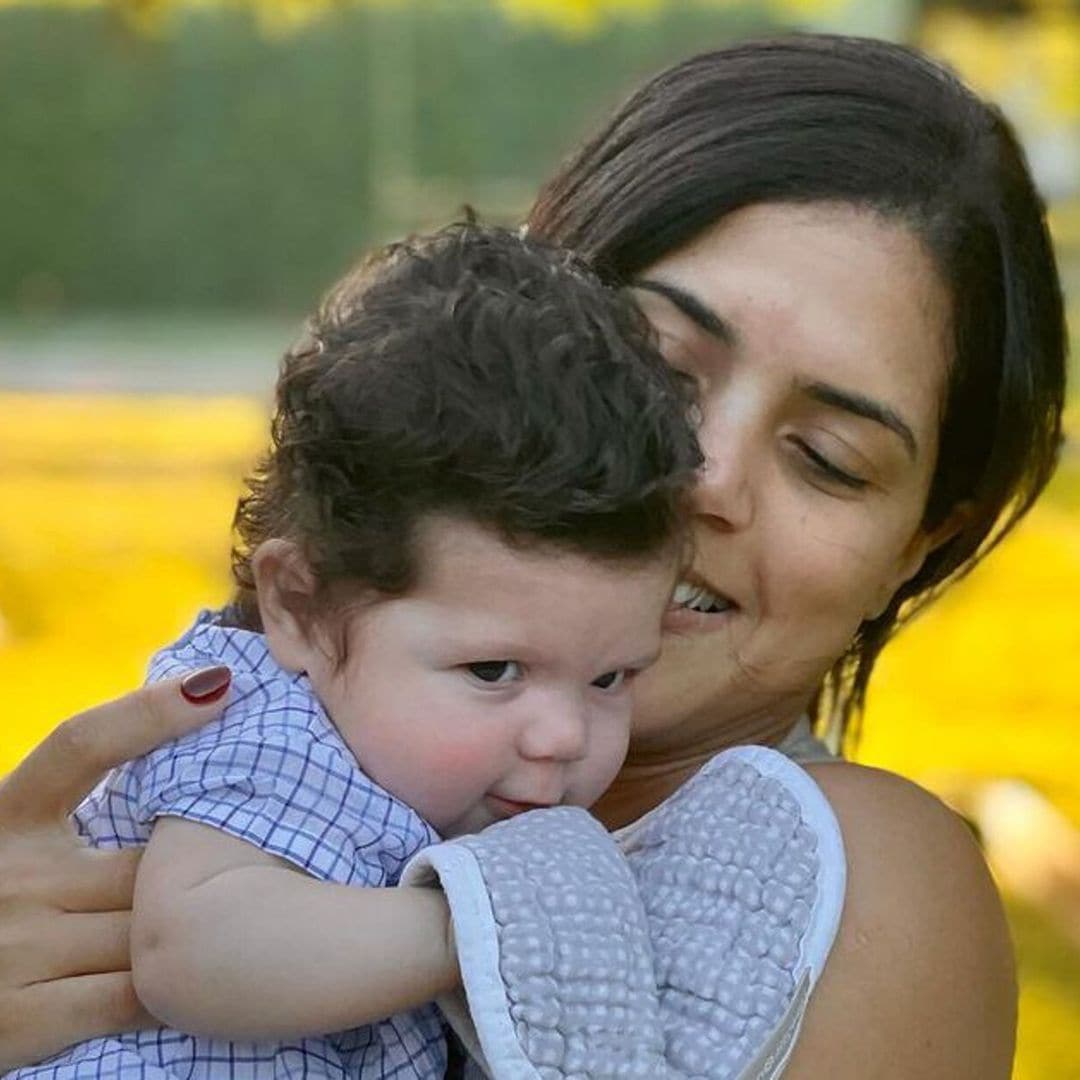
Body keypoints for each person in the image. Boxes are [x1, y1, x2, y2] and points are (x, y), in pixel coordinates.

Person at [0, 33, 1066, 1079]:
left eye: (828, 459)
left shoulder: (853, 882)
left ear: (925, 545)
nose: (703, 478)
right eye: (656, 367)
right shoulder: (286, 745)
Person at [2, 223, 698, 1078]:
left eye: (609, 677)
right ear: (298, 603)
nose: (562, 735)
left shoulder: (403, 759)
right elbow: (197, 957)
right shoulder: (264, 727)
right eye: (493, 671)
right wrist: (494, 923)